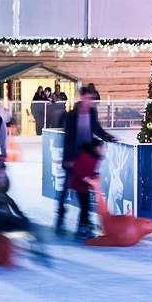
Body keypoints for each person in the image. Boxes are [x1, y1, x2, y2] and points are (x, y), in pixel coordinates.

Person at [56, 85, 116, 236]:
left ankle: (84, 222)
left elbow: (96, 129)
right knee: (66, 189)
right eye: (88, 98)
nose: (91, 101)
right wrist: (68, 159)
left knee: (84, 189)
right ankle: (60, 217)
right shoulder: (72, 115)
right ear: (82, 97)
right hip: (72, 158)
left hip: (85, 157)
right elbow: (68, 139)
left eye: (92, 99)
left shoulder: (92, 112)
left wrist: (109, 137)